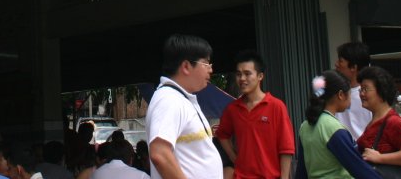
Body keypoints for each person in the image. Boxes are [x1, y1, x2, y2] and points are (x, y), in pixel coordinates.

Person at [145, 34, 223, 179]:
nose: (211, 70)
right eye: (206, 64)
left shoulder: (181, 99)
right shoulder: (168, 99)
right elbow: (160, 153)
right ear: (186, 66)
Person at [215, 50, 294, 179]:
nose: (242, 79)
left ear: (260, 76)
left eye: (247, 74)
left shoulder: (276, 106)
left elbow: (286, 148)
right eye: (239, 74)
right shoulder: (232, 109)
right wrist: (234, 158)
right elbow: (222, 135)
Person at [295, 70, 379, 179]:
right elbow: (358, 167)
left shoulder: (305, 126)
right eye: (349, 94)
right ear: (340, 95)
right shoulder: (334, 128)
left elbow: (301, 171)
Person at [356, 66, 401, 173]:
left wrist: (379, 158)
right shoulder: (374, 122)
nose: (361, 94)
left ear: (381, 90)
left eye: (365, 89)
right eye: (361, 89)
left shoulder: (393, 122)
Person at [332, 42, 371, 140]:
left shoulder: (371, 95)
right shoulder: (333, 92)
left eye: (340, 61)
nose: (336, 64)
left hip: (362, 152)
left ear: (354, 67)